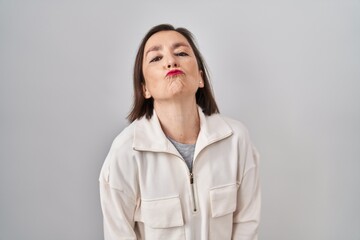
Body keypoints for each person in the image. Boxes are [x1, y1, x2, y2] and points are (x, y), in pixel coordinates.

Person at [99, 24, 261, 240]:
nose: (171, 61)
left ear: (201, 78)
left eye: (181, 53)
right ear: (144, 88)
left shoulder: (236, 140)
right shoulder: (125, 153)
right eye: (156, 58)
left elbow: (246, 227)